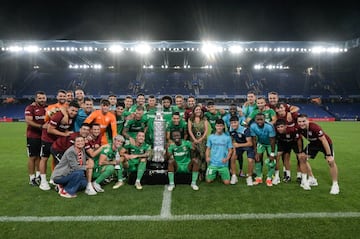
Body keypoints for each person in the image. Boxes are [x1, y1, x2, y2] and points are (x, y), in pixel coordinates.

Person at [39, 100, 80, 191]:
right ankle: (43, 181)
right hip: (47, 139)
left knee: (57, 160)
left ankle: (54, 179)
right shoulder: (59, 115)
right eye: (72, 110)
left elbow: (65, 128)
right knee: (44, 158)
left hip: (57, 141)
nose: (73, 112)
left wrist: (66, 132)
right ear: (68, 109)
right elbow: (49, 129)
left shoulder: (71, 117)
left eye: (76, 111)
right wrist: (64, 134)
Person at [296, 114, 340, 194]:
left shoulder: (314, 127)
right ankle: (310, 179)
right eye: (299, 121)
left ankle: (335, 184)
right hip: (313, 143)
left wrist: (329, 155)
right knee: (302, 158)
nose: (301, 123)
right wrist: (300, 151)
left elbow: (323, 140)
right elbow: (299, 139)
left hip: (325, 144)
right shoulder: (299, 128)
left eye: (303, 121)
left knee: (331, 162)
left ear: (308, 120)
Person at [24, 91, 47, 186]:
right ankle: (31, 178)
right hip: (33, 136)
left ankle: (38, 176)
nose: (42, 100)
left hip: (44, 137)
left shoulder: (47, 108)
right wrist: (41, 127)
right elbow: (28, 121)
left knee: (40, 157)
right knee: (32, 157)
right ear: (36, 99)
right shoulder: (30, 108)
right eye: (40, 98)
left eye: (43, 98)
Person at [250, 113, 277, 186]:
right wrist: (255, 152)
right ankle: (259, 177)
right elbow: (254, 139)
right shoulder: (253, 126)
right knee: (257, 158)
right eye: (257, 119)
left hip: (270, 144)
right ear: (255, 120)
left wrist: (272, 153)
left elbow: (272, 140)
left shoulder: (269, 126)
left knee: (271, 159)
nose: (259, 121)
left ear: (264, 119)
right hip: (261, 143)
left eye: (261, 119)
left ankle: (269, 177)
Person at [273, 119, 303, 185]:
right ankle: (286, 175)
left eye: (281, 127)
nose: (280, 129)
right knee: (280, 156)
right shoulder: (275, 131)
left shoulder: (292, 130)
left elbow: (299, 140)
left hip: (294, 142)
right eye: (278, 127)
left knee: (299, 158)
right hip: (283, 142)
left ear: (286, 126)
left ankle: (299, 176)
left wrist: (300, 151)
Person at [228, 115, 255, 186]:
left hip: (247, 145)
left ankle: (249, 177)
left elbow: (250, 143)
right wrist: (234, 147)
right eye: (232, 123)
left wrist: (238, 145)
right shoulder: (231, 129)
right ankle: (234, 176)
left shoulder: (245, 129)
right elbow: (232, 138)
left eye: (235, 122)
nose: (233, 124)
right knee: (232, 158)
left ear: (238, 122)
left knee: (250, 160)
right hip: (239, 146)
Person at [205, 119, 233, 185]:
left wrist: (226, 159)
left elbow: (230, 150)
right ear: (215, 126)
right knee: (208, 181)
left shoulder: (227, 138)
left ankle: (221, 173)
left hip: (223, 164)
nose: (219, 127)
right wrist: (207, 157)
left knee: (227, 183)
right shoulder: (210, 137)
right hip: (213, 163)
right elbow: (208, 149)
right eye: (217, 126)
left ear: (223, 127)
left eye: (221, 126)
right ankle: (214, 173)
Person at [188, 104, 208, 180]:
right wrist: (194, 139)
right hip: (193, 139)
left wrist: (201, 139)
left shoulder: (204, 119)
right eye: (196, 110)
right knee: (194, 155)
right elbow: (190, 130)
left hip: (202, 140)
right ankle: (195, 171)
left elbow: (206, 130)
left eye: (199, 109)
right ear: (193, 111)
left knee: (202, 156)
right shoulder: (190, 119)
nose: (198, 111)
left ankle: (202, 172)